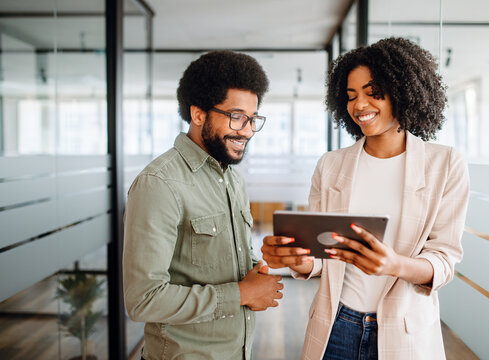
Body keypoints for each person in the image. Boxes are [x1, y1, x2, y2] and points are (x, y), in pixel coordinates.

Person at [262, 37, 470, 360]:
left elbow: (444, 260)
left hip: (404, 330)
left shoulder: (445, 165)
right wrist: (298, 260)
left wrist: (394, 264)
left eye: (373, 92)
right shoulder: (330, 166)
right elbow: (322, 256)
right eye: (351, 96)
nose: (359, 105)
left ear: (403, 91)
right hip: (337, 327)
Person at [123, 50, 284, 360]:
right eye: (236, 117)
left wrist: (260, 268)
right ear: (198, 115)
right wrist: (242, 294)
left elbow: (229, 263)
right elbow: (142, 300)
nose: (247, 130)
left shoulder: (232, 179)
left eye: (253, 119)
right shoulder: (159, 184)